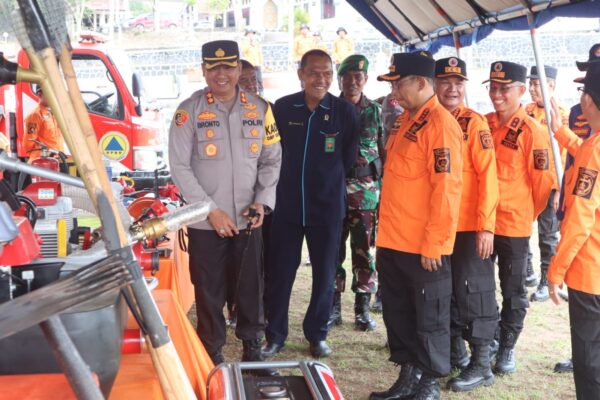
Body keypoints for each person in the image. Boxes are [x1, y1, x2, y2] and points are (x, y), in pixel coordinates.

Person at [168, 40, 282, 370]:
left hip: (249, 219)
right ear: (203, 70)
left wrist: (263, 201)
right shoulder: (186, 112)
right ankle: (212, 353)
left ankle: (252, 347)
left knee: (251, 286)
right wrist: (209, 210)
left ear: (240, 70)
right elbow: (180, 166)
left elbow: (271, 160)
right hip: (206, 223)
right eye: (214, 67)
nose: (222, 74)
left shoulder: (260, 109)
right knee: (208, 290)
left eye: (229, 67)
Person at [369, 51, 463, 400]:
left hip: (423, 245)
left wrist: (436, 242)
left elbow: (447, 189)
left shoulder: (440, 125)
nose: (394, 90)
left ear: (422, 83)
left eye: (399, 83)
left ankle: (428, 384)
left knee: (430, 315)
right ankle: (408, 375)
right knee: (400, 312)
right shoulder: (407, 120)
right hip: (394, 239)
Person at [262, 49, 359, 359]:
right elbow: (271, 154)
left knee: (325, 273)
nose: (321, 79)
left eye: (327, 73)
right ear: (301, 74)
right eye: (314, 73)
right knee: (280, 272)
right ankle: (274, 335)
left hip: (327, 207)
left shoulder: (345, 111)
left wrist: (325, 184)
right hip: (287, 206)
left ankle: (317, 334)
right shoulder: (282, 107)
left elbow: (348, 159)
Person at [484, 61, 556, 375]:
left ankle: (507, 347)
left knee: (513, 291)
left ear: (521, 91)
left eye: (505, 88)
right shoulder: (482, 124)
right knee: (480, 289)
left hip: (513, 226)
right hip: (481, 225)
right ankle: (486, 341)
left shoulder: (533, 131)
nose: (497, 95)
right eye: (493, 88)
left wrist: (526, 211)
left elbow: (543, 186)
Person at [433, 57, 499, 392]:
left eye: (459, 82)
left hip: (470, 226)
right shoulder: (427, 120)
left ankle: (482, 362)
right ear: (433, 84)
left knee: (477, 293)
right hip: (438, 227)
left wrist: (486, 226)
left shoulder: (473, 123)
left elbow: (489, 175)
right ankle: (456, 353)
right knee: (447, 293)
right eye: (446, 81)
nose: (453, 88)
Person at [548, 61, 600, 399]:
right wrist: (560, 131)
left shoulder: (594, 149)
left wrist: (556, 270)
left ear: (589, 102)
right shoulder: (591, 145)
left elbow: (581, 217)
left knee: (590, 360)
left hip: (591, 273)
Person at [327, 54, 383, 332]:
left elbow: (384, 154)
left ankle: (362, 309)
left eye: (358, 77)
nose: (353, 82)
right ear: (340, 79)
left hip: (367, 194)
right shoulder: (329, 109)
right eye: (347, 76)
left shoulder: (376, 111)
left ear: (366, 79)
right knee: (332, 252)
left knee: (364, 252)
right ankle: (332, 308)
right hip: (335, 192)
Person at [524, 65, 568, 302]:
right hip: (528, 182)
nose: (532, 89)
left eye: (536, 84)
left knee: (547, 235)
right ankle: (528, 271)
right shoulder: (527, 110)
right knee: (520, 226)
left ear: (550, 86)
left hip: (550, 185)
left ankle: (545, 279)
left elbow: (565, 155)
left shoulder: (560, 114)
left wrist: (560, 188)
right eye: (530, 84)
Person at [23, 85, 65, 161]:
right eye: (49, 93)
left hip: (56, 158)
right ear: (40, 94)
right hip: (42, 161)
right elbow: (28, 142)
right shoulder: (35, 116)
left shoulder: (53, 113)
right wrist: (39, 156)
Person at [240, 29, 264, 95]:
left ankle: (261, 94)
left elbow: (259, 53)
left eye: (252, 34)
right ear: (247, 35)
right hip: (250, 65)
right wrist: (248, 42)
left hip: (257, 64)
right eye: (249, 34)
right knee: (249, 80)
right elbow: (244, 50)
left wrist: (261, 62)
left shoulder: (256, 43)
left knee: (259, 80)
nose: (251, 35)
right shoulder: (245, 43)